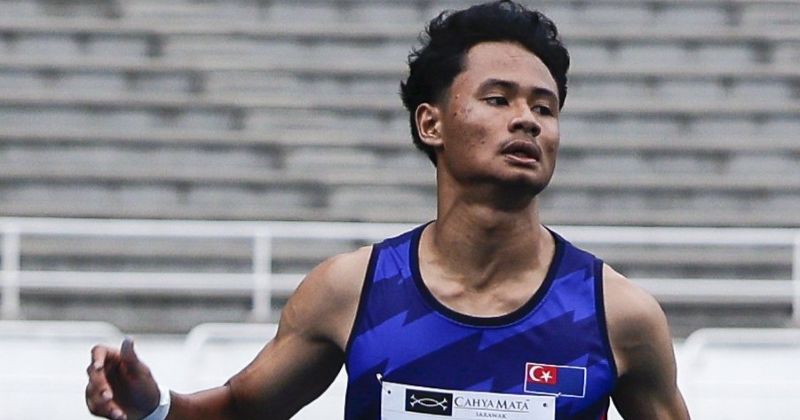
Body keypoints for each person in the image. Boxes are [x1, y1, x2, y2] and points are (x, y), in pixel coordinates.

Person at [86, 1, 690, 419]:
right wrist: (153, 408)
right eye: (498, 99)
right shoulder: (352, 290)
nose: (527, 120)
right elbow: (241, 410)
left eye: (544, 108)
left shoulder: (618, 315)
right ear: (431, 123)